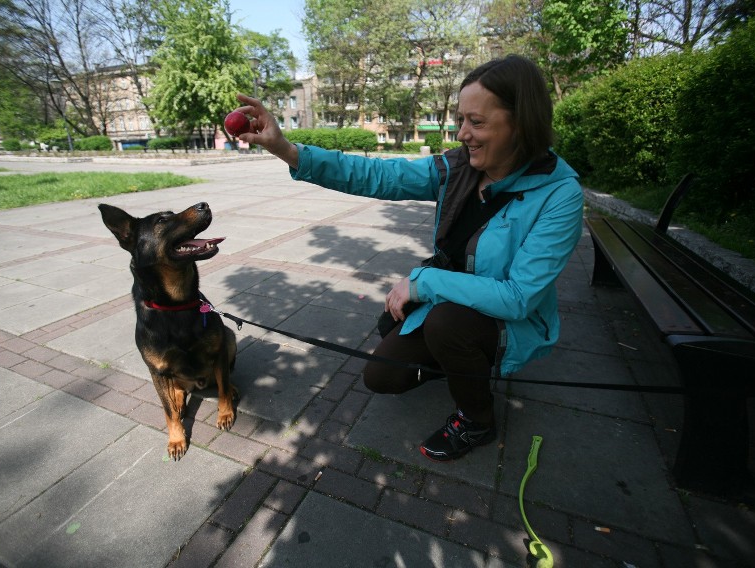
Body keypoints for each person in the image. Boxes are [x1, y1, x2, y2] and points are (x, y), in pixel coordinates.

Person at [234, 55, 584, 462]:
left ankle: (477, 420)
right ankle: (457, 360)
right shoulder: (458, 167)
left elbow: (519, 297)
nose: (463, 133)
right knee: (382, 375)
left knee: (447, 323)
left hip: (507, 318)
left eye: (477, 122)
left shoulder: (560, 194)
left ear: (521, 123)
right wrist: (286, 149)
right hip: (453, 302)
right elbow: (380, 176)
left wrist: (421, 283)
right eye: (460, 119)